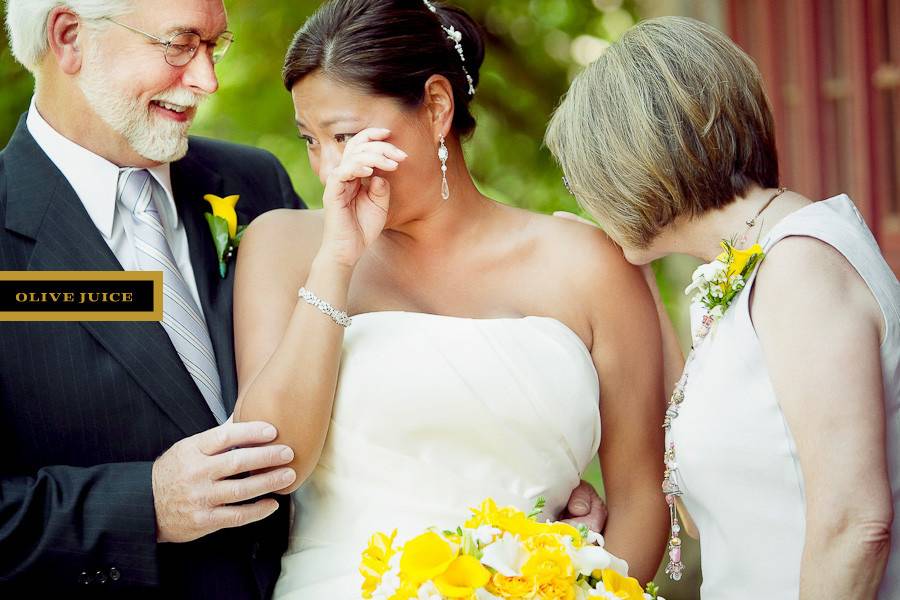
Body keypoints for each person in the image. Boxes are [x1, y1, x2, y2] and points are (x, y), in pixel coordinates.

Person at [231, 0, 668, 596]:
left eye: (346, 135)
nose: (333, 168)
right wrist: (336, 261)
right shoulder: (283, 245)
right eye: (312, 141)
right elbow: (271, 461)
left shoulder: (587, 263)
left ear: (436, 106)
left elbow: (643, 498)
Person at [545, 15, 900, 600]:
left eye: (587, 177)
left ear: (638, 163)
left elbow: (855, 525)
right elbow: (695, 508)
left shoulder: (798, 266)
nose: (586, 197)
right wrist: (627, 283)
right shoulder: (745, 274)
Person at [0, 0, 304, 596]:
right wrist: (144, 506)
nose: (207, 80)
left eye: (214, 46)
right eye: (179, 44)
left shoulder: (254, 184)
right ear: (69, 37)